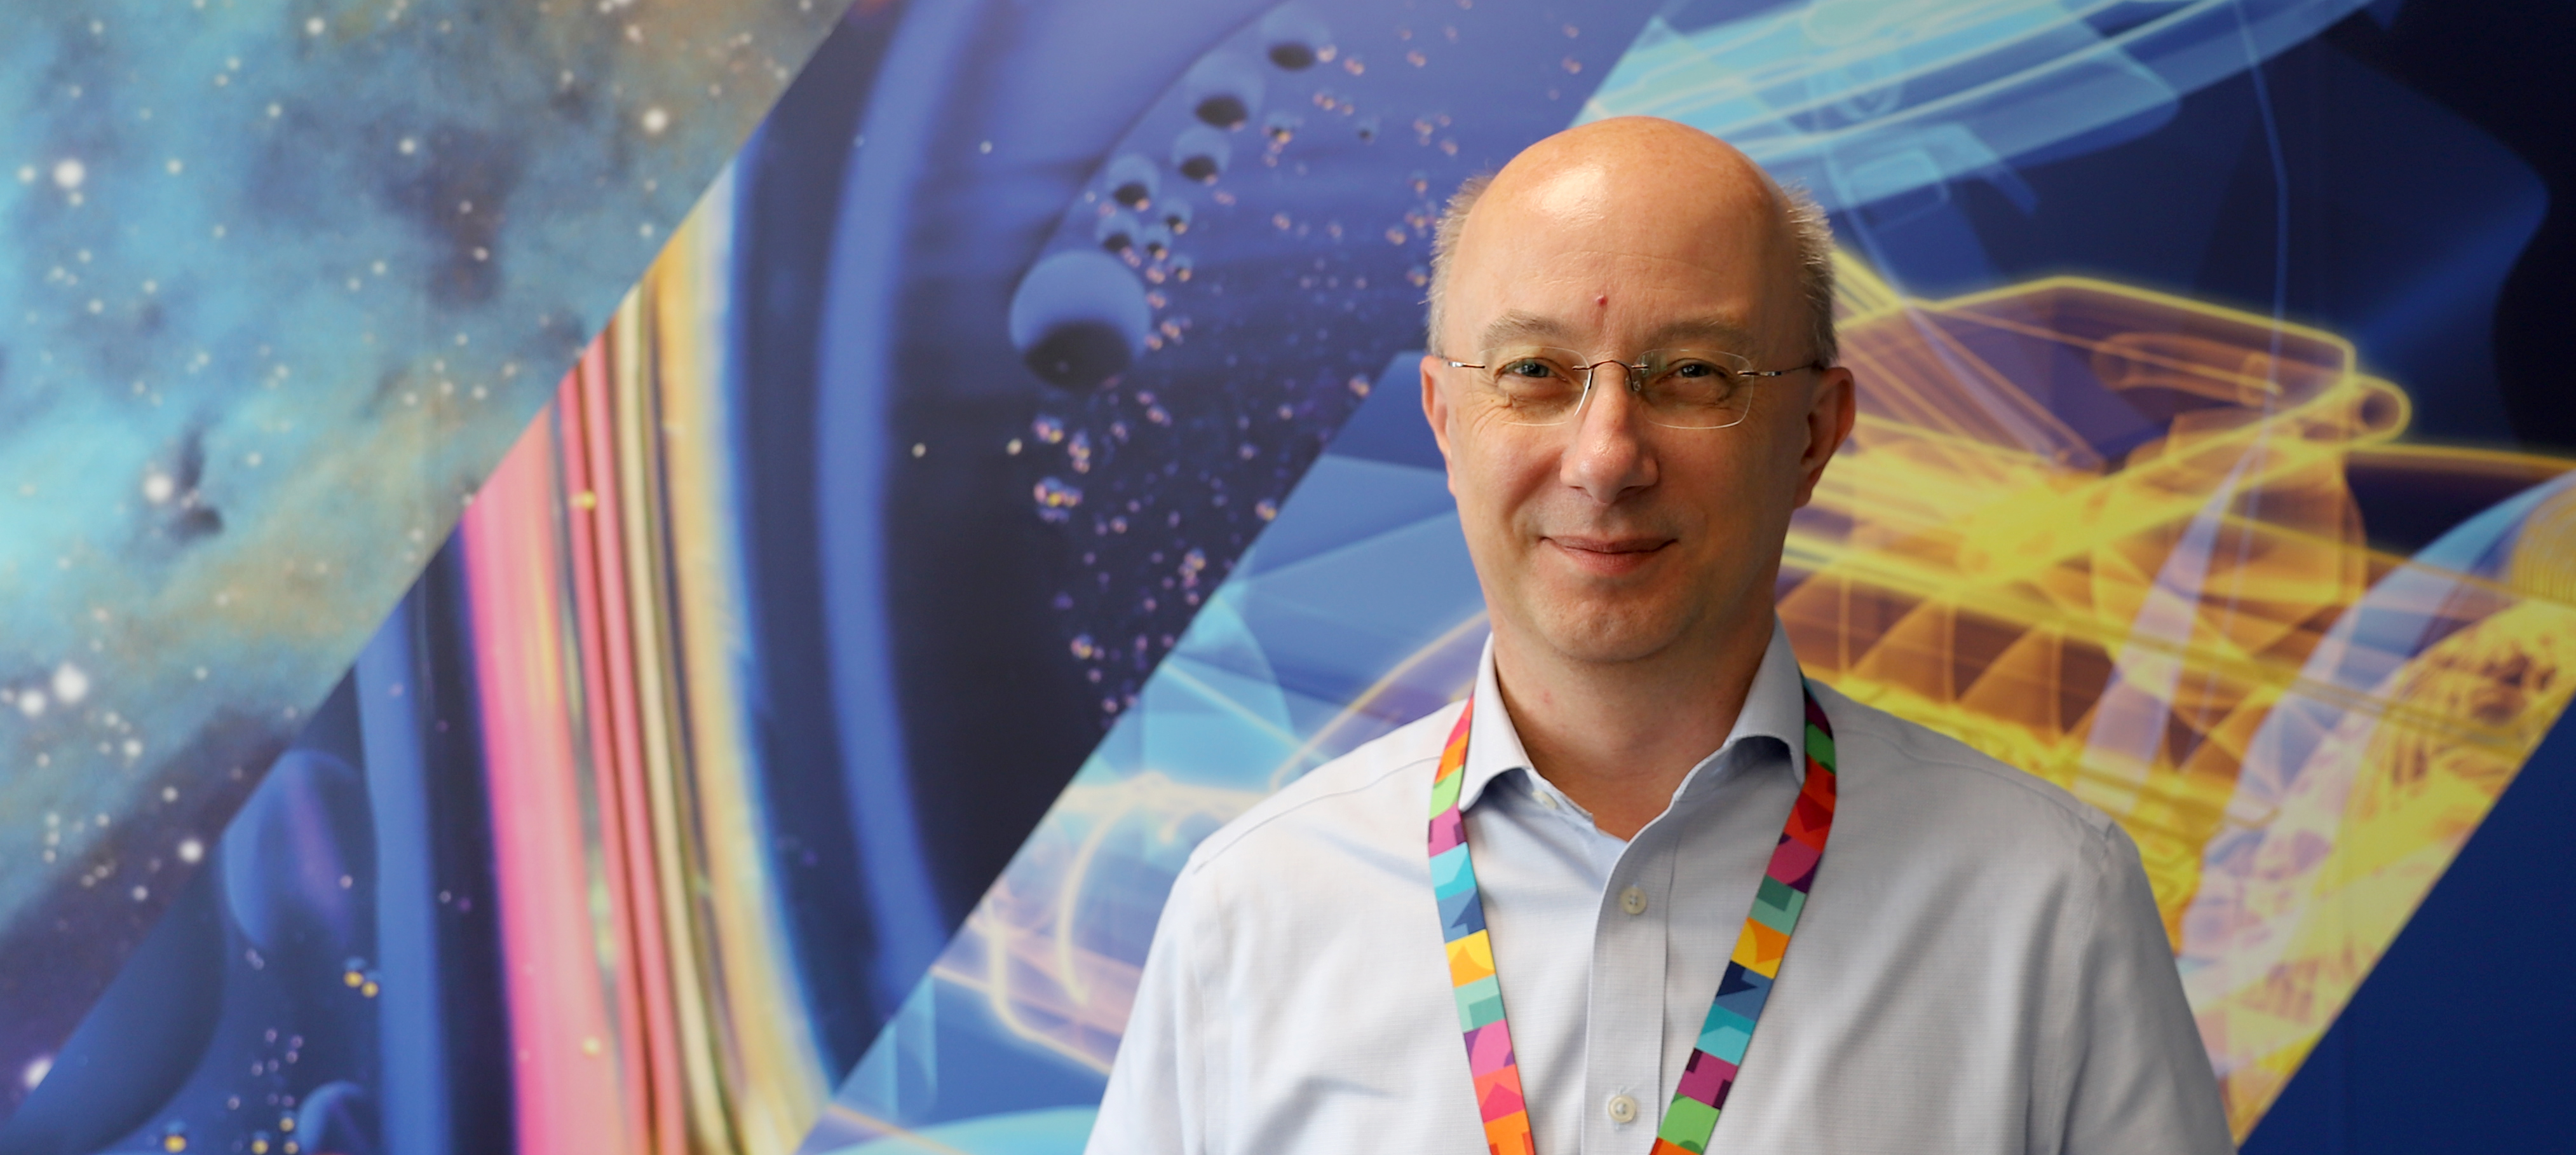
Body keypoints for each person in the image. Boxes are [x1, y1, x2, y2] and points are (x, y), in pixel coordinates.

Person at [1085, 116, 2233, 1155]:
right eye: (1532, 373)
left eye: (1692, 373)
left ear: (1813, 434)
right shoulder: (1251, 909)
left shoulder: (2044, 903)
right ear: (1444, 420)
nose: (1603, 458)